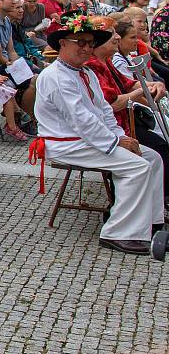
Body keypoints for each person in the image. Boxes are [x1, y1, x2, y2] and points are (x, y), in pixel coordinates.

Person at [30, 18, 164, 255]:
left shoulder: (85, 72)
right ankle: (119, 231)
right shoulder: (56, 76)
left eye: (90, 43)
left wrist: (120, 136)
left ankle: (151, 223)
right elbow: (81, 120)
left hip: (85, 139)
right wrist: (115, 141)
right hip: (66, 143)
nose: (85, 48)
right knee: (138, 166)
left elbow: (103, 111)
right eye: (79, 42)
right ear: (62, 43)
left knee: (152, 157)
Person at [84, 16, 169, 202]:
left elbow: (128, 84)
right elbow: (112, 103)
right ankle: (156, 199)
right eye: (111, 34)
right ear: (97, 42)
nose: (116, 38)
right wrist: (141, 91)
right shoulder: (92, 66)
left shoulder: (105, 61)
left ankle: (154, 203)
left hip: (122, 124)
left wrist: (152, 85)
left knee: (159, 145)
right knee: (159, 147)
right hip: (112, 129)